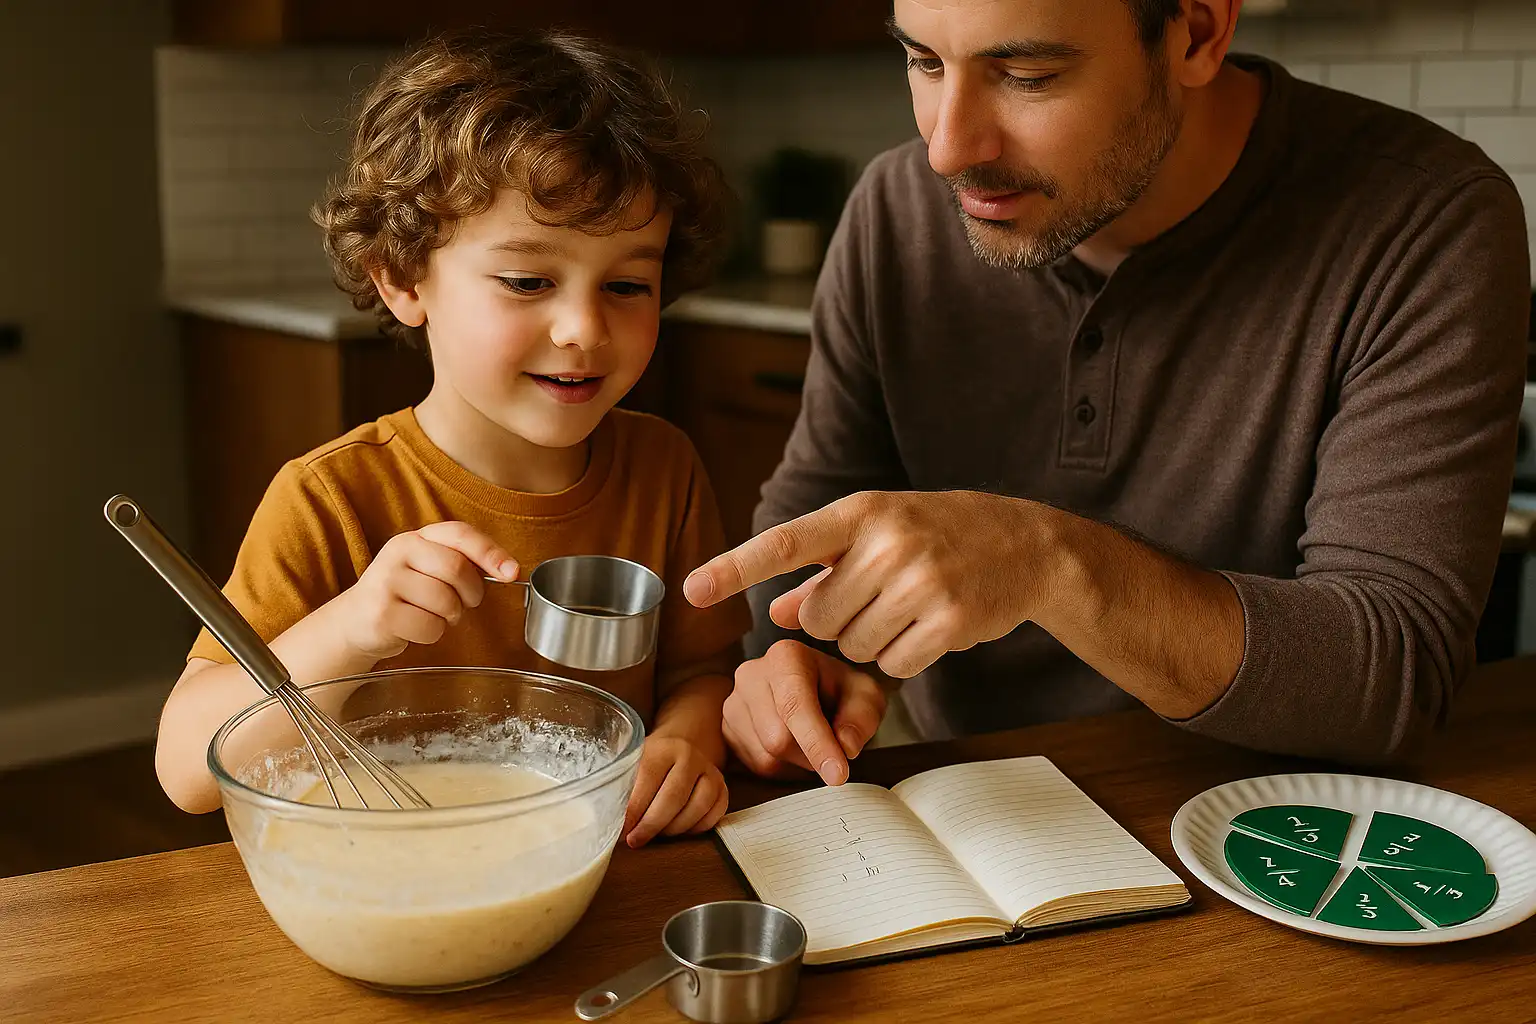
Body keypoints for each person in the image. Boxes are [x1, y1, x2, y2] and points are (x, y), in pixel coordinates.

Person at [684, 0, 1530, 785]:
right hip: (981, 796)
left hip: (1283, 824)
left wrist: (1048, 563)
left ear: (1196, 32)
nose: (947, 148)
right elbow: (820, 501)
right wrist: (796, 660)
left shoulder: (1428, 221)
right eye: (924, 61)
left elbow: (1393, 680)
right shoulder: (893, 210)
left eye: (1027, 76)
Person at [155, 30, 751, 847]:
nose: (583, 329)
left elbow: (700, 670)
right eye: (527, 281)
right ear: (402, 278)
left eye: (626, 284)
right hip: (391, 879)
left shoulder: (663, 468)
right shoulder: (331, 498)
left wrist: (686, 737)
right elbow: (186, 767)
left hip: (598, 877)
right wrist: (354, 625)